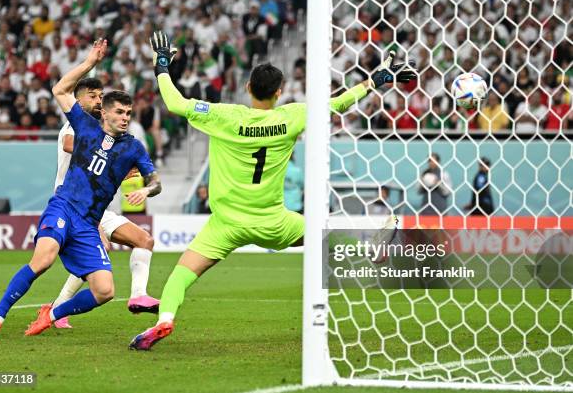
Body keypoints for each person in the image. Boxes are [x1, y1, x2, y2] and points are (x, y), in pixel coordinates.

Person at [128, 31, 415, 350]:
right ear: (279, 92)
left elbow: (175, 102)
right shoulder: (293, 115)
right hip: (273, 220)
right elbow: (338, 103)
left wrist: (162, 65)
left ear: (248, 88)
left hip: (225, 225)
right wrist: (377, 79)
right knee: (323, 233)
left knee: (181, 275)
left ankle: (164, 319)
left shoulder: (225, 116)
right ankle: (368, 247)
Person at [0, 39, 162, 339]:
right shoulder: (83, 126)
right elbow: (60, 92)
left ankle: (52, 314)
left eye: (128, 113)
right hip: (65, 206)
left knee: (104, 291)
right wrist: (90, 61)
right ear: (104, 112)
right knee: (44, 259)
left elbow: (155, 179)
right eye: (119, 112)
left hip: (91, 220)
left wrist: (147, 190)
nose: (126, 118)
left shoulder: (132, 147)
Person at [36, 77, 159, 331]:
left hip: (98, 207)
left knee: (144, 240)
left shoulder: (104, 131)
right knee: (96, 252)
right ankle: (56, 309)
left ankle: (137, 296)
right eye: (92, 95)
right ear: (78, 98)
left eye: (100, 95)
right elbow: (71, 144)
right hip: (72, 203)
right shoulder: (77, 125)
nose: (98, 99)